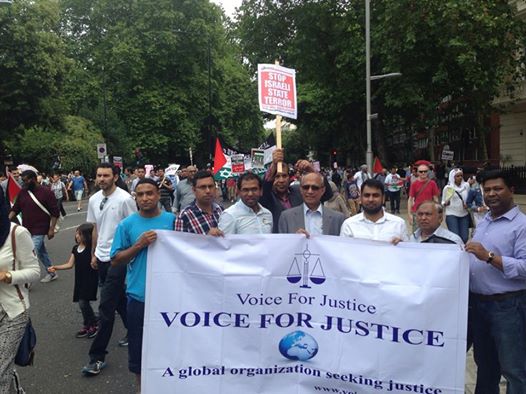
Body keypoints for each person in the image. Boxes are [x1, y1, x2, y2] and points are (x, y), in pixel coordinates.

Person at [111, 178, 175, 392]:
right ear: (135, 198)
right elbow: (116, 258)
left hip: (170, 296)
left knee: (171, 344)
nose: (145, 198)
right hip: (139, 295)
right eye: (140, 195)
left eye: (149, 193)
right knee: (138, 346)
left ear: (158, 195)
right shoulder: (127, 224)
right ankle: (142, 387)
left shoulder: (173, 220)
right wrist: (139, 245)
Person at [465, 170, 526, 393]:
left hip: (508, 307)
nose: (491, 194)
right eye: (487, 189)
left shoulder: (522, 226)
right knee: (486, 365)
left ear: (512, 190)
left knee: (514, 369)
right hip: (479, 305)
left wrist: (489, 257)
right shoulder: (484, 221)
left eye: (497, 189)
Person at [82, 163, 137, 376]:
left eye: (106, 175)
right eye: (98, 175)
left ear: (115, 177)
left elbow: (132, 227)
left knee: (105, 307)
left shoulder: (124, 199)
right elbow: (95, 227)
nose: (102, 179)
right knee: (120, 301)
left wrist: (129, 256)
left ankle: (97, 357)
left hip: (118, 259)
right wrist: (93, 253)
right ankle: (136, 333)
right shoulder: (94, 199)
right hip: (102, 257)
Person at [0, 190, 40, 392]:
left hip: (13, 310)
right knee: (3, 366)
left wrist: (9, 276)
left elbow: (35, 272)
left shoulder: (17, 233)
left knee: (0, 369)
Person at [48, 223, 99, 338]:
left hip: (90, 279)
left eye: (80, 234)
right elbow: (70, 264)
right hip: (80, 280)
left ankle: (93, 324)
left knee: (83, 302)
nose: (77, 236)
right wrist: (56, 267)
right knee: (82, 303)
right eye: (76, 233)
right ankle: (88, 324)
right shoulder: (75, 249)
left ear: (88, 236)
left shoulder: (93, 250)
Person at [8, 170, 60, 283]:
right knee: (41, 252)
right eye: (23, 180)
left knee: (30, 253)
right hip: (27, 228)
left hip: (41, 228)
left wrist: (51, 229)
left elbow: (55, 212)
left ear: (34, 179)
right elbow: (16, 209)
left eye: (26, 180)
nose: (24, 183)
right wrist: (6, 221)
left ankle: (26, 280)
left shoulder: (46, 192)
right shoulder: (23, 192)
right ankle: (52, 272)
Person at [340, 179, 408, 243]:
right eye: (367, 195)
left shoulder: (399, 224)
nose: (371, 199)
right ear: (360, 198)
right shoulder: (349, 225)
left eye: (376, 195)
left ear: (383, 198)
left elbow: (407, 253)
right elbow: (342, 252)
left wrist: (401, 246)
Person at [279, 173, 345, 236]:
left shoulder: (338, 219)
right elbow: (283, 246)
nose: (310, 191)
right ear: (300, 190)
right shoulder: (286, 218)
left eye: (315, 188)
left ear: (323, 190)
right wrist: (295, 239)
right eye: (306, 187)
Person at [175, 170, 223, 235]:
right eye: (203, 187)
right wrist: (206, 239)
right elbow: (180, 244)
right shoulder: (184, 217)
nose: (208, 191)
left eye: (211, 186)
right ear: (194, 190)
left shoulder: (221, 211)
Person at [407, 163, 439, 231]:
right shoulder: (414, 184)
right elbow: (410, 199)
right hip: (417, 212)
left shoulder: (432, 183)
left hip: (429, 212)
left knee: (430, 232)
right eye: (421, 171)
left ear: (428, 172)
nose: (423, 173)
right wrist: (409, 214)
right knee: (416, 233)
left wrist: (437, 212)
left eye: (425, 171)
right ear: (417, 172)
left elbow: (435, 199)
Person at [441, 168, 470, 243]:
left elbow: (470, 198)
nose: (460, 177)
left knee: (465, 237)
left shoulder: (466, 186)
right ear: (452, 177)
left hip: (464, 214)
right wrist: (445, 203)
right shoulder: (448, 188)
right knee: (455, 237)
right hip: (452, 214)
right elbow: (442, 202)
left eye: (461, 176)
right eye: (457, 176)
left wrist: (468, 204)